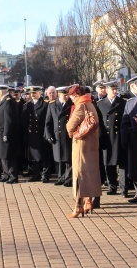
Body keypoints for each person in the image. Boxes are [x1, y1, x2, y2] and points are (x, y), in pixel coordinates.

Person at [66, 84, 102, 218]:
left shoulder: (81, 106)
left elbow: (70, 125)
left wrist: (72, 133)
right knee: (89, 173)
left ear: (75, 95)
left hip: (81, 144)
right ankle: (88, 201)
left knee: (79, 175)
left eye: (71, 95)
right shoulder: (90, 103)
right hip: (91, 145)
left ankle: (78, 207)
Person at [97, 80, 128, 196]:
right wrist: (101, 135)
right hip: (107, 138)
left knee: (122, 164)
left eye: (116, 89)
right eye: (112, 89)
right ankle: (112, 186)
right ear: (107, 90)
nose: (114, 91)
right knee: (108, 163)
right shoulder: (100, 104)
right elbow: (99, 122)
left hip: (119, 137)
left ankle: (124, 188)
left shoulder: (123, 103)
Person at [45, 86, 73, 187]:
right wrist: (49, 135)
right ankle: (61, 177)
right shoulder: (52, 105)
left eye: (67, 95)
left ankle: (68, 178)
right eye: (64, 95)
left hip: (68, 136)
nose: (66, 97)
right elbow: (48, 121)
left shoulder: (71, 104)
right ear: (59, 95)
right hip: (57, 135)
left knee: (68, 158)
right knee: (59, 158)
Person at [23, 86, 52, 182]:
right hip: (32, 134)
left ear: (40, 93)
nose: (32, 95)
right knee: (34, 157)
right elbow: (25, 120)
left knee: (44, 156)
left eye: (34, 93)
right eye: (31, 93)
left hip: (41, 133)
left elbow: (48, 120)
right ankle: (36, 174)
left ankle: (45, 175)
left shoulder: (45, 104)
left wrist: (46, 134)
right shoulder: (28, 105)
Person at [0, 85, 19, 183]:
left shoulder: (8, 101)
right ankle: (6, 174)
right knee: (3, 155)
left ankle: (13, 175)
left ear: (1, 91)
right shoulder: (3, 101)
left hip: (6, 133)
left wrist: (6, 133)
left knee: (8, 155)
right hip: (0, 132)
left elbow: (9, 120)